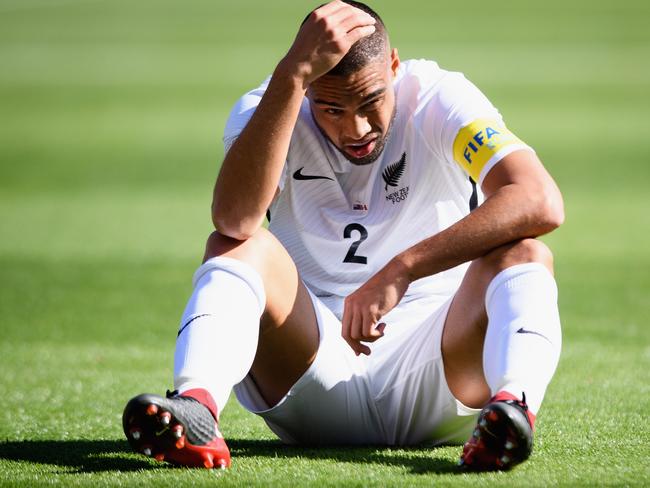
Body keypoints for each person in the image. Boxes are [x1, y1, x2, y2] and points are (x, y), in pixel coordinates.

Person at [122, 0, 564, 471]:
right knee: (237, 245)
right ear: (309, 86)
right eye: (331, 107)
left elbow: (539, 199)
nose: (355, 128)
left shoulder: (440, 97)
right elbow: (233, 219)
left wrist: (403, 268)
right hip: (311, 373)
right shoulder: (270, 106)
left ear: (394, 66)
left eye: (371, 100)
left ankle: (511, 412)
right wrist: (291, 75)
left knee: (526, 251)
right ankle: (196, 408)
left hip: (439, 375)